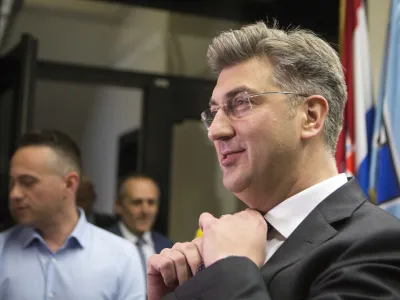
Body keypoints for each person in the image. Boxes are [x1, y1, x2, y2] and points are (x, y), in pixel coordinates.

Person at [147, 21, 400, 300]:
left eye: (241, 102)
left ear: (311, 116)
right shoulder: (214, 250)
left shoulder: (382, 244)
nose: (215, 131)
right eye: (214, 111)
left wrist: (230, 268)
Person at [0, 129, 145, 300]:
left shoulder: (122, 257)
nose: (14, 194)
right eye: (12, 183)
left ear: (69, 184)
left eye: (28, 182)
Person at [107, 175, 173, 281]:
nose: (145, 211)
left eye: (151, 203)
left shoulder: (168, 246)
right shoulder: (103, 244)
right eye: (137, 202)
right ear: (118, 206)